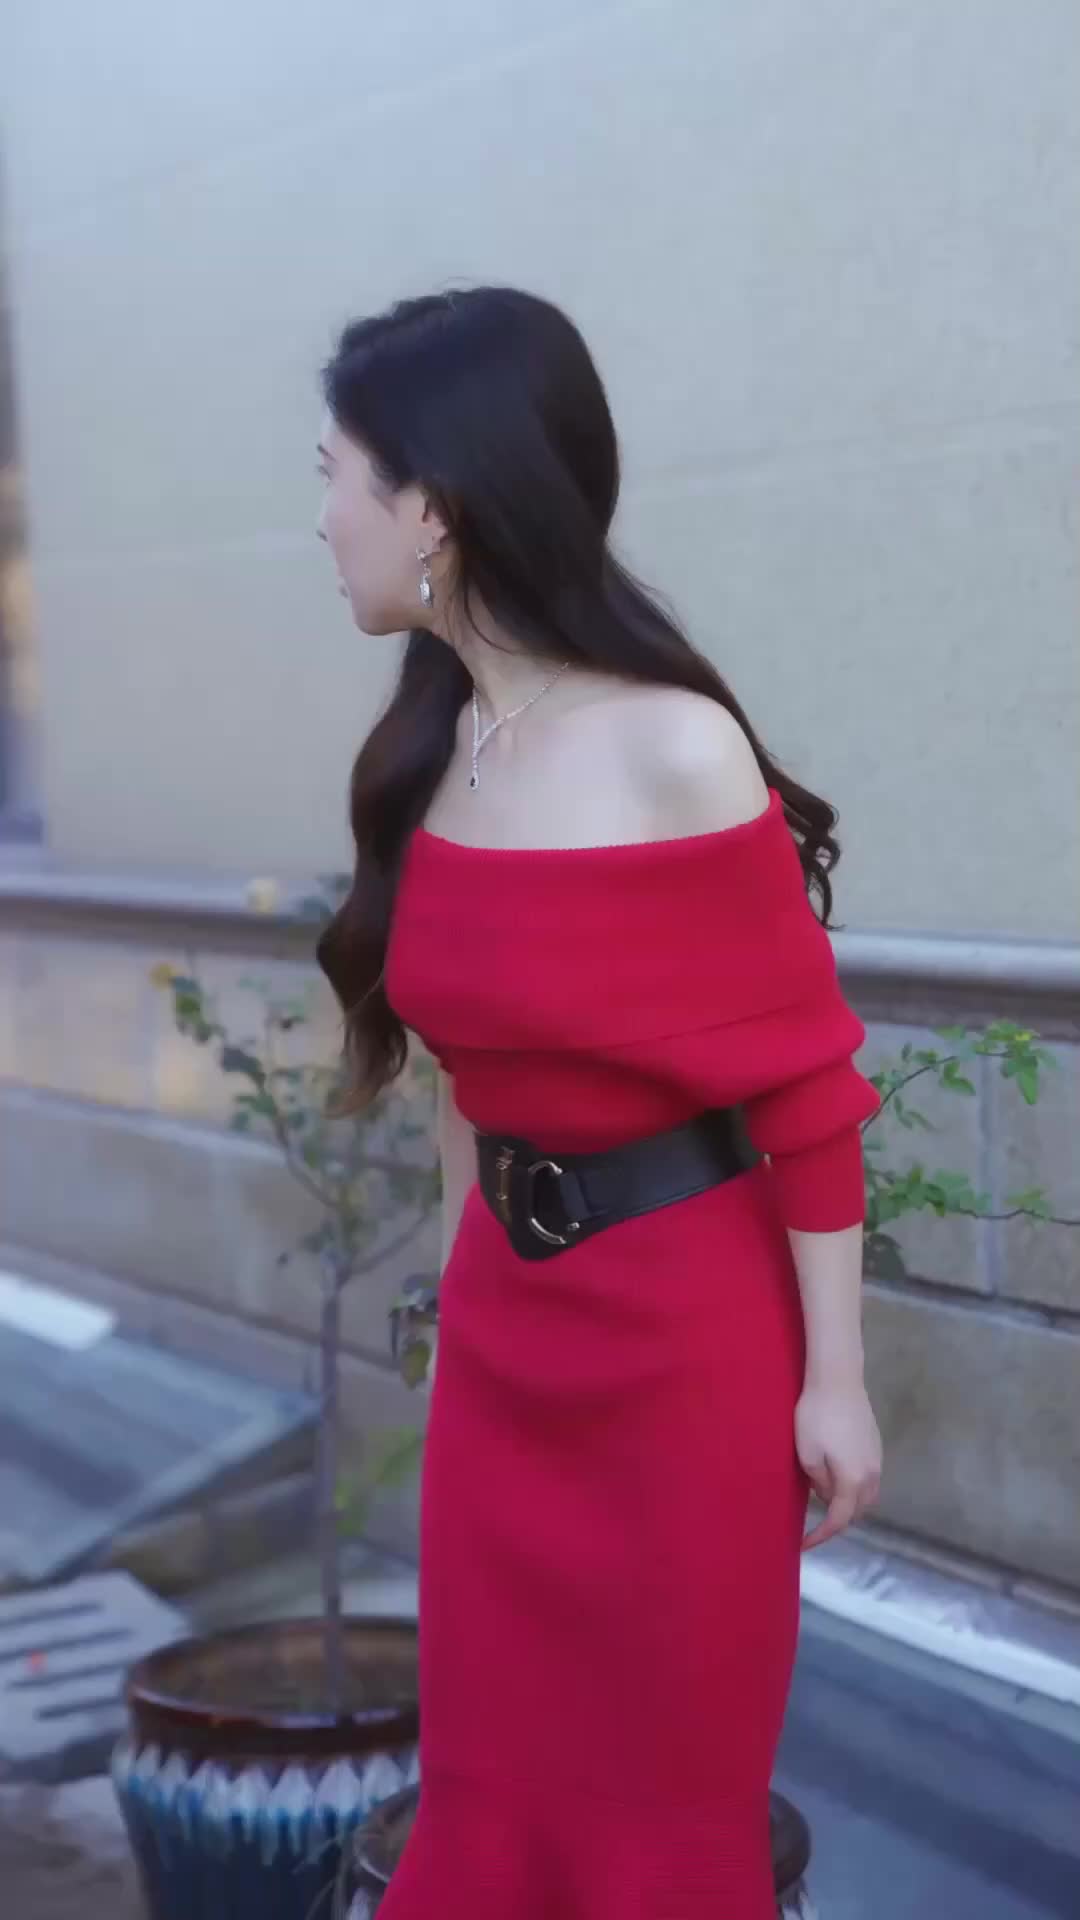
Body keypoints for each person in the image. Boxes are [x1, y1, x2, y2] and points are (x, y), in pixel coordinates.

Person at [315, 286, 882, 1919]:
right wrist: (454, 1290)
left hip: (685, 1366)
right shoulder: (437, 751)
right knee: (491, 1800)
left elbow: (806, 1094)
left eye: (336, 477)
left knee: (656, 1826)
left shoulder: (676, 751)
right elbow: (466, 1076)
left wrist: (835, 1383)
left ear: (434, 505)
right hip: (507, 1356)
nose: (323, 522)